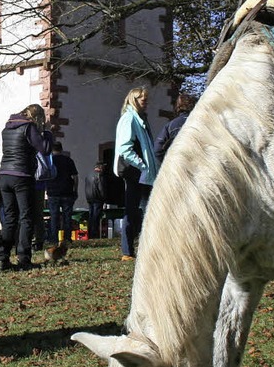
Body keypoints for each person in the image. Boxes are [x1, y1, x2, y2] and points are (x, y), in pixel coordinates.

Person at [0, 104, 51, 271]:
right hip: (21, 175)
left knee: (10, 218)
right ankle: (23, 258)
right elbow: (45, 149)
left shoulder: (7, 128)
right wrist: (47, 132)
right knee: (26, 217)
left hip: (4, 174)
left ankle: (3, 257)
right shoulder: (29, 127)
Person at [114, 86, 157, 260]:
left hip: (144, 174)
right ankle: (127, 251)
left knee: (146, 212)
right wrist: (142, 165)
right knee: (132, 211)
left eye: (146, 99)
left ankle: (144, 249)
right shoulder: (129, 119)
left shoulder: (141, 120)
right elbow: (125, 147)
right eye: (142, 99)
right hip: (135, 173)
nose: (146, 103)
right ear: (134, 100)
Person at [46, 142, 78, 243]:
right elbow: (75, 177)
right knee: (67, 216)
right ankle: (67, 238)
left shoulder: (50, 161)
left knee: (54, 217)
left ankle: (53, 238)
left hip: (53, 192)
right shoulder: (68, 160)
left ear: (52, 149)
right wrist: (75, 190)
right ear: (61, 149)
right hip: (67, 192)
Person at [153, 93, 197, 165]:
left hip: (176, 166)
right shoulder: (200, 124)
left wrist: (167, 162)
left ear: (177, 106)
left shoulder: (170, 125)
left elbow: (157, 150)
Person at [84, 162, 107, 239]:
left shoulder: (89, 175)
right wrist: (104, 198)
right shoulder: (99, 175)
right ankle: (94, 234)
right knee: (96, 218)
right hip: (97, 198)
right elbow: (101, 189)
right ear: (100, 167)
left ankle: (90, 234)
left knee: (91, 216)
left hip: (89, 198)